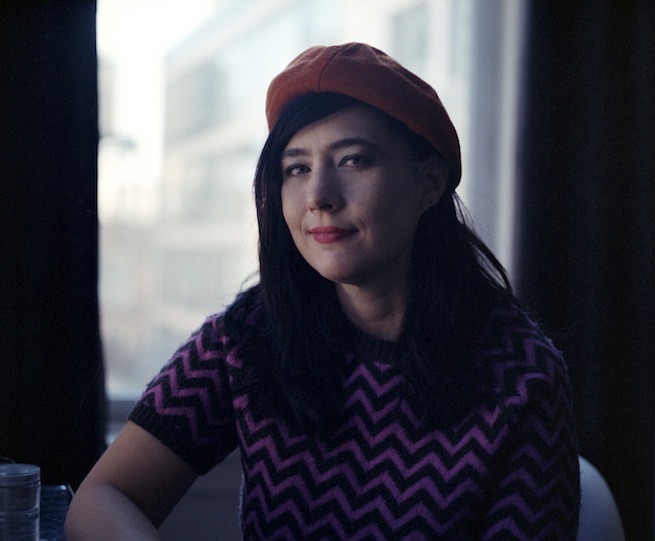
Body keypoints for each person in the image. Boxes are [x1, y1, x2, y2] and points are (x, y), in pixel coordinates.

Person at [65, 42, 580, 540]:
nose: (318, 196)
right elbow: (103, 496)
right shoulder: (249, 336)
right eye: (297, 168)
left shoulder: (523, 376)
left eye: (353, 160)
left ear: (428, 183)